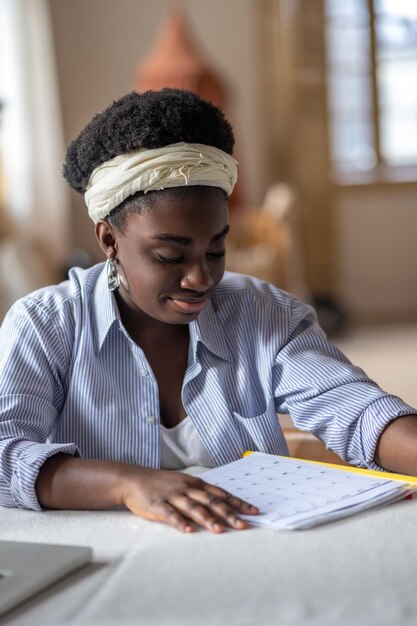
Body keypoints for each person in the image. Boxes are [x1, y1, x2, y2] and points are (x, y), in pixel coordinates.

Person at [0, 89, 416, 534]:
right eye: (169, 256)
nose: (200, 278)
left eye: (216, 250)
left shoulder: (264, 313)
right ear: (109, 240)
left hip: (245, 552)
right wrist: (127, 484)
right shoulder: (46, 324)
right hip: (102, 562)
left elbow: (359, 412)